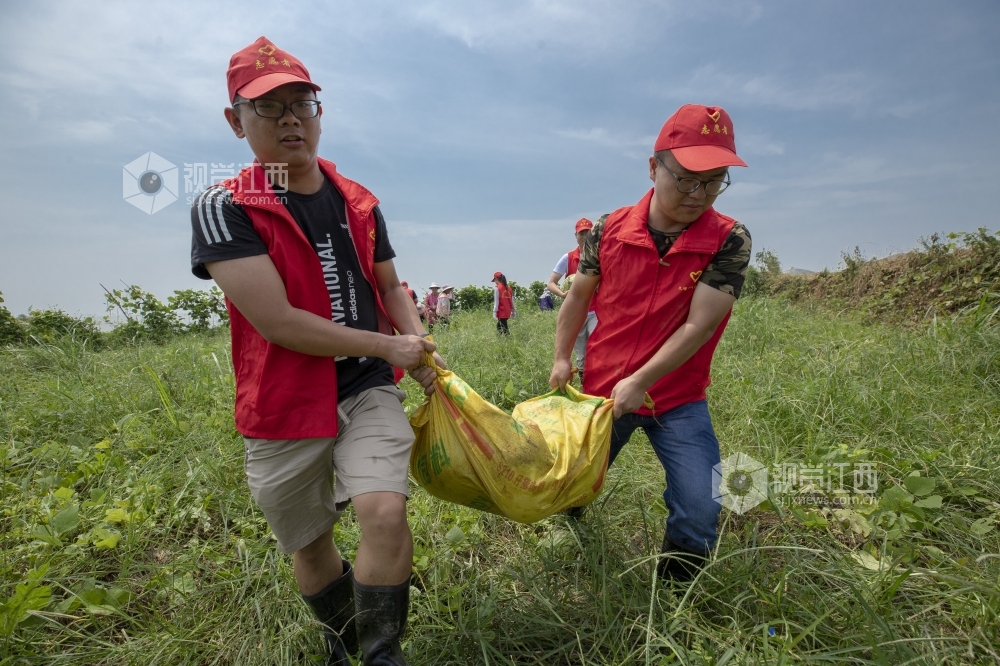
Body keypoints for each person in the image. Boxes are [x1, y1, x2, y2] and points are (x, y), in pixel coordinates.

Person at [189, 37, 442, 665]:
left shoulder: (359, 200)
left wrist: (415, 349)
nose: (291, 120)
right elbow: (278, 323)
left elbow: (388, 284)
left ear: (319, 112)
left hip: (367, 383)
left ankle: (383, 655)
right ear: (235, 121)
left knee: (383, 512)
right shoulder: (223, 207)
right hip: (281, 398)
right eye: (268, 108)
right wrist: (393, 343)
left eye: (302, 103)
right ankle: (343, 643)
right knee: (310, 542)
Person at [548, 104, 751, 583]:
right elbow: (578, 295)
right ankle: (567, 522)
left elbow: (699, 326)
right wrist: (561, 358)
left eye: (714, 181)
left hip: (678, 396)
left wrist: (641, 380)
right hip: (604, 392)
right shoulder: (607, 230)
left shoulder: (730, 239)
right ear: (654, 166)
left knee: (702, 504)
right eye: (686, 179)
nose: (698, 195)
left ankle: (675, 596)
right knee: (575, 478)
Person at [547, 218, 597, 384]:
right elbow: (551, 283)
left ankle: (598, 384)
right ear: (575, 235)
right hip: (576, 312)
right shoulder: (568, 258)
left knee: (597, 348)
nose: (584, 236)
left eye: (588, 232)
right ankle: (585, 386)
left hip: (597, 311)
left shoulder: (600, 255)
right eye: (581, 233)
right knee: (581, 353)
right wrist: (562, 294)